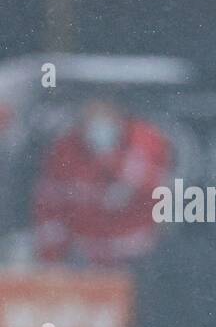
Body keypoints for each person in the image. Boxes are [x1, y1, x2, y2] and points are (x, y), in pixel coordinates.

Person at [32, 99, 171, 268]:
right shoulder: (66, 152)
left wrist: (122, 176)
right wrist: (52, 254)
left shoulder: (143, 145)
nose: (99, 126)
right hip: (83, 258)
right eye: (92, 118)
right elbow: (50, 204)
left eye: (106, 117)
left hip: (136, 255)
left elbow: (159, 198)